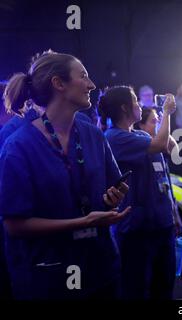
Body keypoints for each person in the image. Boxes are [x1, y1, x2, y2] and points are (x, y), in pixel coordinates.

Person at [0, 50, 130, 300]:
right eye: (83, 76)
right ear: (59, 84)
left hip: (100, 271)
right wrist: (83, 222)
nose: (91, 85)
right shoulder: (18, 147)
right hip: (49, 282)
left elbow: (114, 186)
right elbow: (14, 225)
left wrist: (113, 198)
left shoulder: (92, 133)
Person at [99, 86, 177, 299]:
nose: (140, 105)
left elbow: (169, 145)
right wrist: (168, 113)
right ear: (124, 107)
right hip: (136, 229)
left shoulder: (140, 134)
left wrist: (162, 119)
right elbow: (161, 143)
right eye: (135, 101)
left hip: (161, 223)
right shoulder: (115, 137)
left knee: (164, 286)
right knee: (137, 289)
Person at [134, 107, 182, 300]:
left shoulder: (158, 147)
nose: (157, 124)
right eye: (153, 121)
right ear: (141, 125)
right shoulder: (140, 147)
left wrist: (176, 215)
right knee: (156, 273)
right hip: (154, 220)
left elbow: (173, 149)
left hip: (170, 215)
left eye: (157, 120)